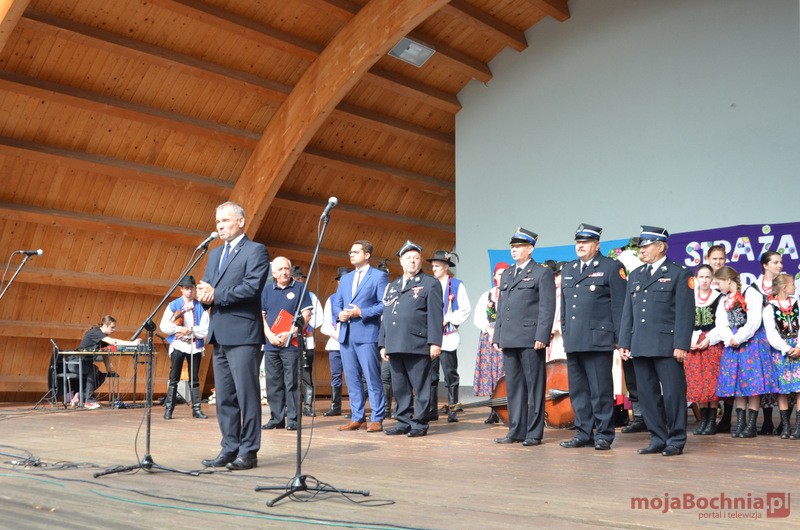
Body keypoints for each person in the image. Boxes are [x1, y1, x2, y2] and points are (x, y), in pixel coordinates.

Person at [196, 201, 270, 471]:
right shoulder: (215, 253)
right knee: (225, 396)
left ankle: (248, 451)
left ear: (241, 221)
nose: (220, 226)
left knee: (246, 395)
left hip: (243, 333)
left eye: (225, 220)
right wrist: (203, 296)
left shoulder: (255, 250)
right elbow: (206, 286)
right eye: (218, 221)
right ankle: (229, 447)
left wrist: (216, 295)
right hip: (219, 333)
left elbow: (252, 288)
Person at [619, 226, 694, 457]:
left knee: (673, 394)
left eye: (646, 246)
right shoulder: (636, 275)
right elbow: (628, 312)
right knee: (647, 395)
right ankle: (657, 438)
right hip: (640, 344)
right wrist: (624, 342)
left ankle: (676, 439)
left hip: (667, 345)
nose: (642, 251)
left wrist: (681, 344)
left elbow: (685, 313)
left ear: (660, 247)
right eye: (640, 247)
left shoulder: (679, 273)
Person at [560, 223, 626, 451]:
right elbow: (565, 307)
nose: (580, 246)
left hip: (599, 340)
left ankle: (604, 435)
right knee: (578, 392)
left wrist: (620, 339)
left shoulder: (611, 267)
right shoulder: (569, 269)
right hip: (574, 340)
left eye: (585, 242)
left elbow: (619, 306)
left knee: (600, 391)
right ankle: (583, 433)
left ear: (596, 245)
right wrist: (566, 334)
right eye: (578, 242)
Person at [492, 227, 556, 446]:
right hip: (509, 338)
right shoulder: (508, 273)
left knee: (534, 387)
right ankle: (516, 430)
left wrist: (542, 336)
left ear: (530, 249)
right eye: (512, 247)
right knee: (514, 387)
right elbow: (502, 308)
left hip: (530, 338)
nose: (514, 250)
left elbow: (547, 307)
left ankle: (534, 432)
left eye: (519, 246)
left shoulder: (541, 272)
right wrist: (498, 335)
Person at [379, 241, 444, 437]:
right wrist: (383, 343)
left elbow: (435, 315)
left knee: (421, 386)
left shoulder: (430, 283)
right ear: (401, 261)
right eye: (408, 258)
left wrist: (435, 342)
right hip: (394, 343)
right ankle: (403, 421)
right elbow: (386, 316)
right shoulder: (392, 285)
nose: (412, 262)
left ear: (421, 261)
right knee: (400, 386)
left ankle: (420, 423)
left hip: (417, 343)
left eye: (416, 258)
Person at [334, 240, 389, 432]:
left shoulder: (379, 276)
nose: (351, 254)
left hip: (367, 334)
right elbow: (337, 303)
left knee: (372, 378)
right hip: (346, 335)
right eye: (350, 252)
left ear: (367, 255)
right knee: (352, 379)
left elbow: (384, 304)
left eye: (355, 252)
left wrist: (362, 312)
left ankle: (377, 418)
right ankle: (357, 417)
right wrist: (339, 314)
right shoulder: (346, 278)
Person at [713, 265, 771, 438]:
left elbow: (754, 321)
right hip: (733, 343)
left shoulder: (750, 293)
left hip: (750, 343)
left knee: (752, 383)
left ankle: (751, 425)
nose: (717, 286)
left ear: (728, 280)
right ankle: (740, 423)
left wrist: (739, 338)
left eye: (719, 283)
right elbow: (720, 322)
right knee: (737, 383)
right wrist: (729, 337)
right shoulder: (724, 299)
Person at [261, 257, 313, 431]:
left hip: (292, 344)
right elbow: (261, 316)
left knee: (291, 382)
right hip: (271, 344)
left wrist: (291, 333)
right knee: (273, 383)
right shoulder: (267, 290)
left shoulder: (300, 288)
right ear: (274, 273)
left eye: (286, 269)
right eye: (280, 269)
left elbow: (306, 315)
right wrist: (269, 335)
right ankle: (276, 418)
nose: (284, 272)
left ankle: (293, 419)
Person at [427, 250, 471, 423]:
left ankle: (452, 409)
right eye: (433, 266)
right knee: (431, 375)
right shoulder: (429, 284)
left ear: (446, 267)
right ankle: (431, 410)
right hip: (431, 337)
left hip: (447, 336)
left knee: (450, 373)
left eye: (437, 266)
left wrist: (447, 319)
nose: (434, 269)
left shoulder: (457, 285)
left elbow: (465, 308)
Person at [159, 275, 210, 420]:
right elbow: (164, 326)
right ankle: (169, 409)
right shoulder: (173, 305)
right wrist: (179, 329)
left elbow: (205, 330)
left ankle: (196, 409)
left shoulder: (201, 307)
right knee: (174, 377)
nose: (189, 291)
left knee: (194, 379)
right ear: (181, 289)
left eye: (192, 288)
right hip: (179, 345)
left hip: (194, 346)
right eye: (187, 288)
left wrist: (190, 330)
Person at [70, 315, 141, 409]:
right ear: (104, 325)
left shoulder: (103, 338)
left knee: (100, 376)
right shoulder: (96, 332)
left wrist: (109, 369)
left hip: (85, 364)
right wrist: (132, 344)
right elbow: (113, 342)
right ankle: (88, 401)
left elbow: (105, 354)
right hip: (75, 363)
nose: (114, 330)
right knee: (93, 370)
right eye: (112, 327)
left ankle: (80, 396)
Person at [749, 251, 783, 435]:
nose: (780, 265)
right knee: (766, 378)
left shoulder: (785, 284)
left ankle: (784, 422)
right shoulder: (754, 287)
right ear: (765, 265)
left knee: (783, 376)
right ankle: (767, 421)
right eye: (775, 262)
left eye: (780, 262)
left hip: (783, 335)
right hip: (762, 338)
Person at [686, 265, 723, 435]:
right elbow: (686, 322)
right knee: (698, 382)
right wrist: (689, 341)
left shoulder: (718, 298)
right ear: (696, 278)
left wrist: (709, 339)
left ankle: (711, 421)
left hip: (711, 344)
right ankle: (703, 420)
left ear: (712, 278)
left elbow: (721, 324)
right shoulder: (690, 297)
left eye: (708, 277)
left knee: (711, 383)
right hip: (694, 344)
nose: (705, 280)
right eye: (701, 277)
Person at [763, 272, 800, 439]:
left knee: (799, 389)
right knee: (782, 390)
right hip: (781, 352)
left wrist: (798, 347)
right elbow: (771, 334)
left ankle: (798, 427)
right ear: (784, 287)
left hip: (797, 348)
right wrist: (786, 348)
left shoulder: (797, 303)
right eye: (792, 284)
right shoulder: (769, 308)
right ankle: (785, 427)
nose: (795, 287)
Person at [473, 261, 510, 423]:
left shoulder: (513, 293)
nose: (502, 277)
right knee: (490, 375)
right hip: (489, 339)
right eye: (499, 274)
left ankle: (507, 410)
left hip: (507, 337)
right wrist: (489, 328)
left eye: (505, 273)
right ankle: (494, 410)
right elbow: (478, 318)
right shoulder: (487, 295)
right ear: (494, 276)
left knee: (504, 373)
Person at [704, 244, 733, 432]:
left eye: (721, 258)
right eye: (714, 258)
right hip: (708, 338)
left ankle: (727, 418)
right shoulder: (704, 280)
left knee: (728, 378)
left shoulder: (730, 280)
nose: (718, 262)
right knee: (709, 379)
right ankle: (709, 419)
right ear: (708, 259)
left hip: (728, 336)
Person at [291, 266, 324, 417]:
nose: (298, 280)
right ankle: (292, 406)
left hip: (306, 338)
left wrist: (306, 327)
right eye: (295, 278)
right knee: (290, 373)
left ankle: (308, 406)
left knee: (306, 372)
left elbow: (318, 316)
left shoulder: (310, 295)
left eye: (300, 278)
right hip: (290, 339)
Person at [320, 267, 349, 417]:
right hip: (335, 341)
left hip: (351, 343)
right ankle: (335, 406)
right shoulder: (331, 299)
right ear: (338, 282)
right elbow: (326, 322)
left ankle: (356, 408)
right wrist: (335, 334)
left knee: (353, 376)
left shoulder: (355, 297)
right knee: (335, 375)